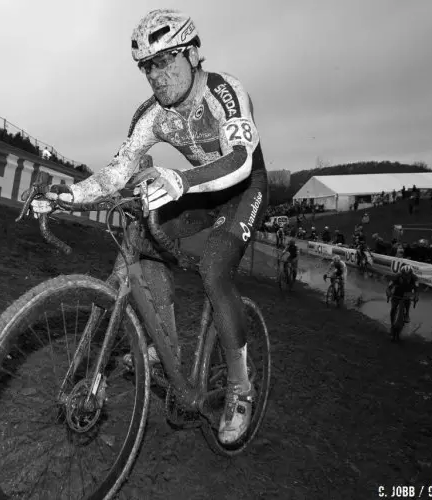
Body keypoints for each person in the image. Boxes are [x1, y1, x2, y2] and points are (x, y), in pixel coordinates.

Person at [21, 9, 268, 445]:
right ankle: (161, 348)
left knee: (214, 269)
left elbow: (241, 160)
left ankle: (241, 387)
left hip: (243, 188)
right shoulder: (151, 115)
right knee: (140, 238)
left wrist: (182, 179)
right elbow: (118, 170)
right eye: (147, 67)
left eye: (167, 61)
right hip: (199, 192)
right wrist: (69, 195)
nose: (157, 76)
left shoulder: (224, 91)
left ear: (193, 55)